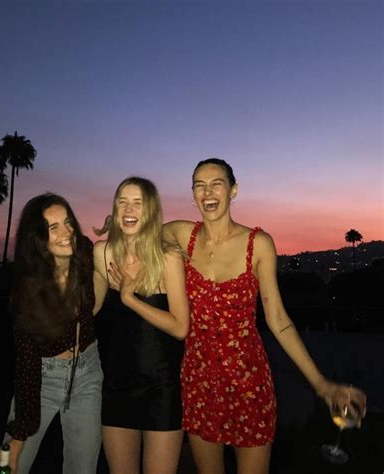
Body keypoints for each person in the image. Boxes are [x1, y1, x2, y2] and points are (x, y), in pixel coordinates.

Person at [163, 158, 367, 474]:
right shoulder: (179, 234)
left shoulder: (257, 244)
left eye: (216, 183)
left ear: (233, 191)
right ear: (192, 194)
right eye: (199, 185)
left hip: (248, 381)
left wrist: (321, 384)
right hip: (198, 379)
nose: (208, 192)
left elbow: (278, 319)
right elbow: (141, 236)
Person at [0, 193, 103, 474]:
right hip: (43, 376)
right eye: (53, 228)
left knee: (83, 468)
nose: (66, 233)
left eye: (68, 222)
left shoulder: (86, 258)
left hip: (87, 374)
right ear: (38, 238)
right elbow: (27, 365)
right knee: (9, 465)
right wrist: (18, 436)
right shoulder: (28, 292)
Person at [93, 177, 190, 474]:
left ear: (150, 211)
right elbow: (91, 309)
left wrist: (129, 298)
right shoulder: (103, 252)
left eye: (137, 202)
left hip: (162, 388)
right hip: (116, 386)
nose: (128, 209)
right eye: (122, 202)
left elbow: (180, 328)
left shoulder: (168, 256)